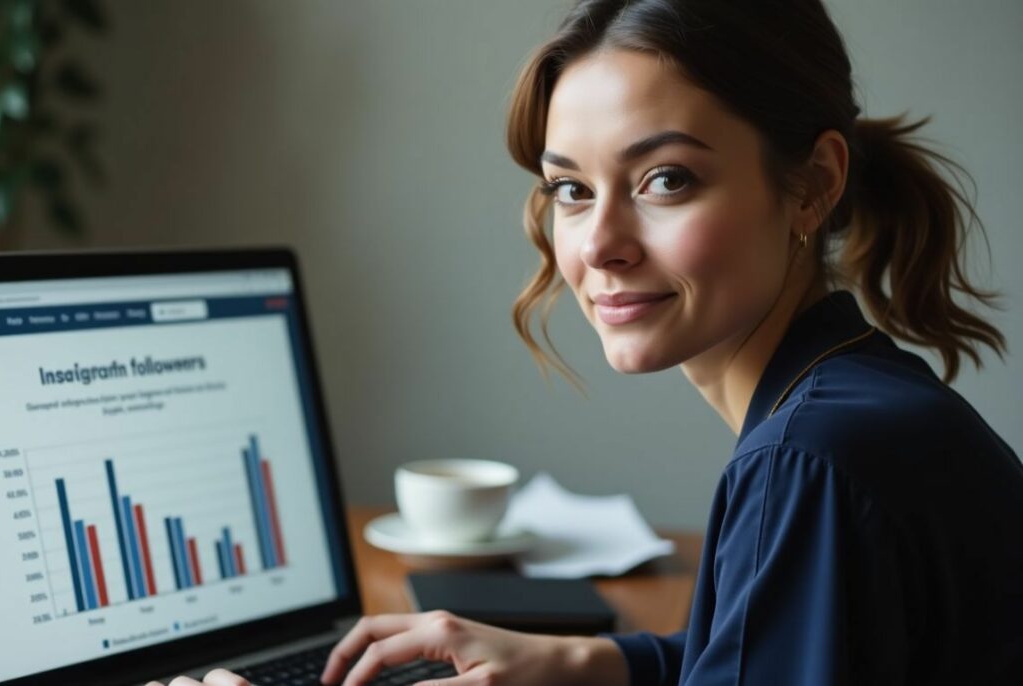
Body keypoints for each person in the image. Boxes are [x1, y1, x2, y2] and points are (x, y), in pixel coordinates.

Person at [153, 0, 1023, 684]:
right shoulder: (853, 405)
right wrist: (585, 661)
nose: (599, 243)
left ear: (812, 186)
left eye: (664, 180)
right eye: (570, 188)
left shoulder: (809, 460)